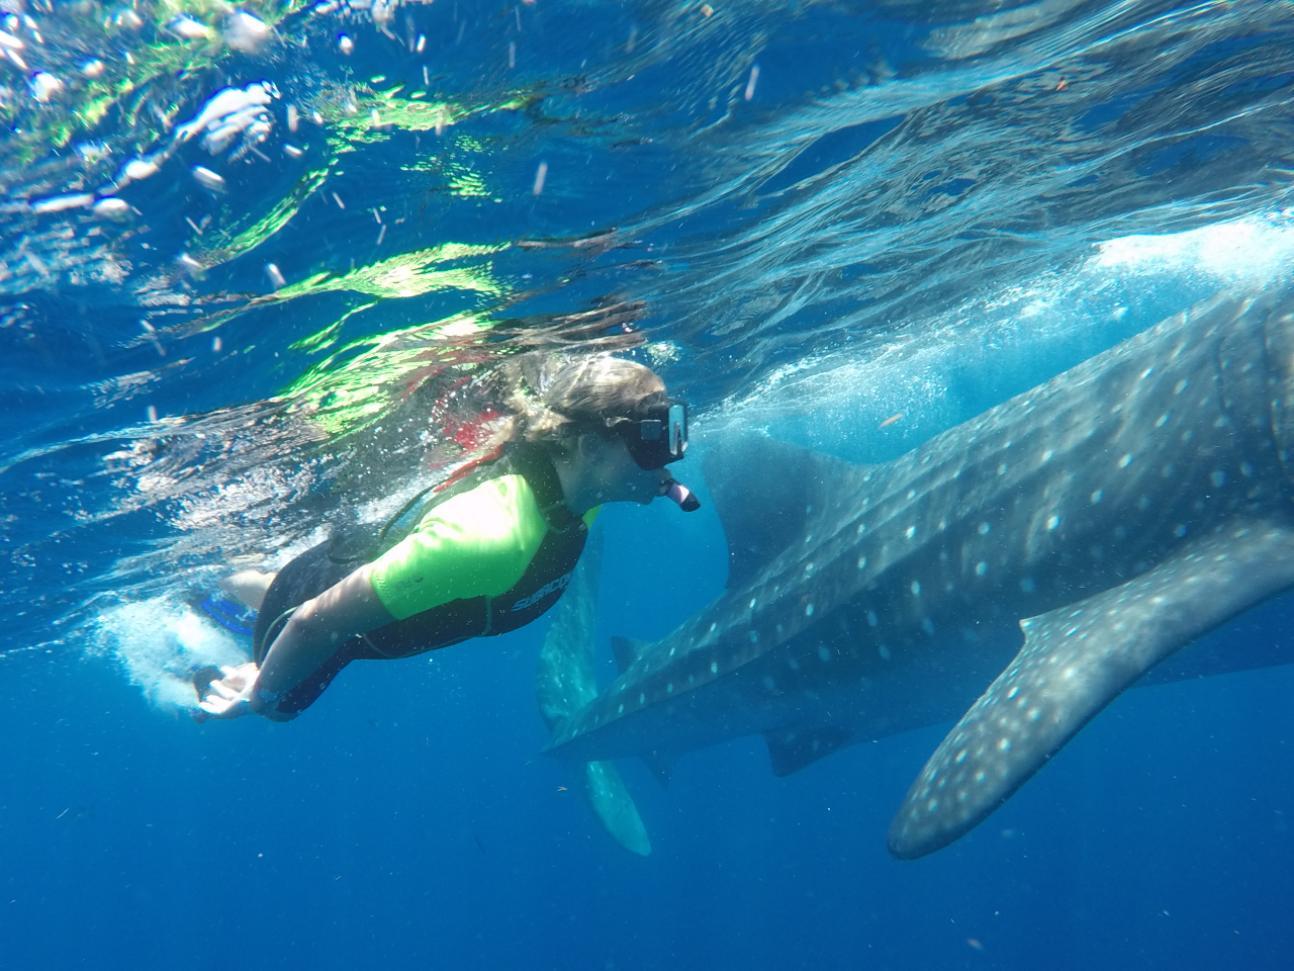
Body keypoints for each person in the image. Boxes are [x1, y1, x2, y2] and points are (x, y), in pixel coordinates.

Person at [195, 352, 698, 721]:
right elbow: (312, 623)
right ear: (589, 447)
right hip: (314, 619)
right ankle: (206, 591)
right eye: (653, 445)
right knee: (276, 710)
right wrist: (259, 690)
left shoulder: (580, 496)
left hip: (361, 578)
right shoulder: (492, 536)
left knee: (291, 588)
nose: (670, 463)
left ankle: (226, 580)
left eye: (673, 437)